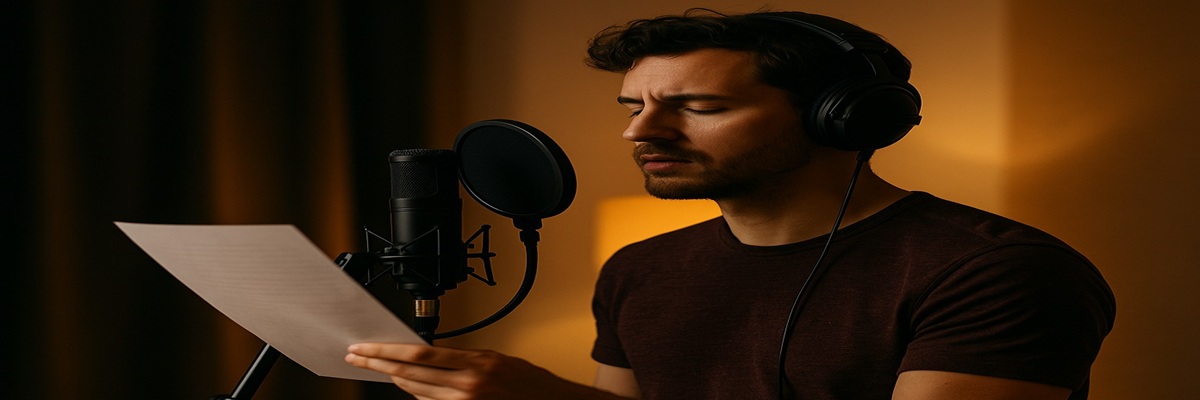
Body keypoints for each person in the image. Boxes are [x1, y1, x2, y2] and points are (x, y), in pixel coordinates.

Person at [344, 9, 1116, 400]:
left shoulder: (995, 271)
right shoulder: (641, 270)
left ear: (841, 117)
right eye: (633, 104)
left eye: (699, 106)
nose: (640, 130)